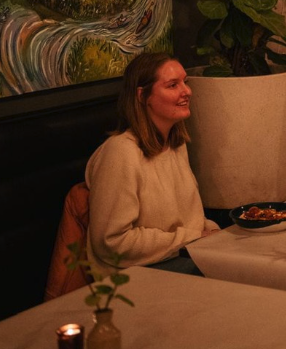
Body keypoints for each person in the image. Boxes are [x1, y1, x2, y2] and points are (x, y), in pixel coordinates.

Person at [85, 52, 218, 276]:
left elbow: (188, 222)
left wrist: (214, 233)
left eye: (185, 82)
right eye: (172, 85)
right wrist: (192, 237)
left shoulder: (176, 145)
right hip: (132, 277)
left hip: (178, 255)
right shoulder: (120, 152)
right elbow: (112, 241)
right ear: (142, 96)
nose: (187, 91)